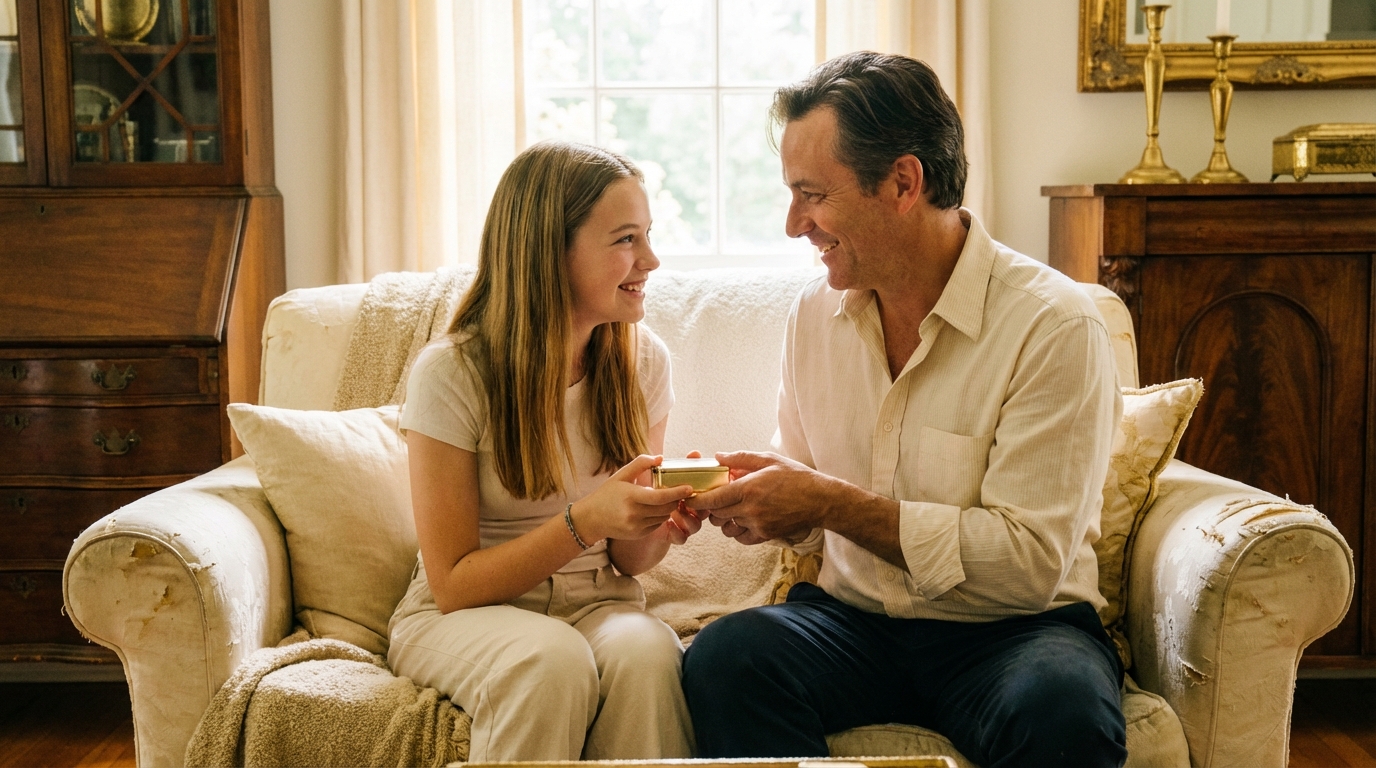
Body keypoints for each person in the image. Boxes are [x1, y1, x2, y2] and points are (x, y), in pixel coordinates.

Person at [681, 51, 1128, 768]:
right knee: (727, 658)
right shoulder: (813, 314)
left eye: (812, 194)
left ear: (902, 181)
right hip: (854, 623)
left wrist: (831, 502)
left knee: (1063, 712)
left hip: (1016, 630)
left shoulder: (1054, 325)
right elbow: (808, 493)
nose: (796, 224)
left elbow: (1026, 565)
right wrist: (762, 502)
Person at [386, 141, 701, 762]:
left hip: (600, 603)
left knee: (649, 654)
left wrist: (661, 521)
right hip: (466, 615)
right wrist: (586, 521)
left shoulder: (643, 363)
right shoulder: (453, 374)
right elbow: (452, 585)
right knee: (551, 662)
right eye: (626, 240)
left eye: (648, 236)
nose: (651, 260)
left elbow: (632, 563)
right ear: (549, 253)